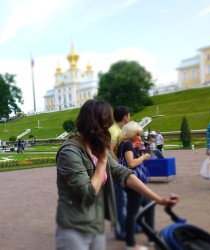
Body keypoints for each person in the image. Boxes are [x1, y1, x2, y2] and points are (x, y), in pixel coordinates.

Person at [55, 100, 179, 250]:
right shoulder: (70, 152)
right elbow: (87, 194)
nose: (109, 127)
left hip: (95, 224)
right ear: (96, 123)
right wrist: (101, 162)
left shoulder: (97, 147)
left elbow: (123, 173)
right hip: (74, 227)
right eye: (107, 122)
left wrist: (159, 199)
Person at [117, 121, 156, 250]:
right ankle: (131, 243)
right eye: (137, 134)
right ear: (130, 134)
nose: (140, 137)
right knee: (132, 213)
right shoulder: (127, 144)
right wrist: (144, 156)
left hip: (130, 181)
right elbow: (131, 164)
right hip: (133, 182)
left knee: (149, 205)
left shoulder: (124, 144)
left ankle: (150, 236)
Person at [108, 106, 130, 240]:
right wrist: (119, 163)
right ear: (125, 117)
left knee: (124, 200)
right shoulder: (114, 131)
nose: (130, 118)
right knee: (121, 200)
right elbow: (110, 149)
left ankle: (124, 227)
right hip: (116, 170)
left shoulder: (117, 129)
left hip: (118, 169)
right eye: (129, 115)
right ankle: (120, 230)